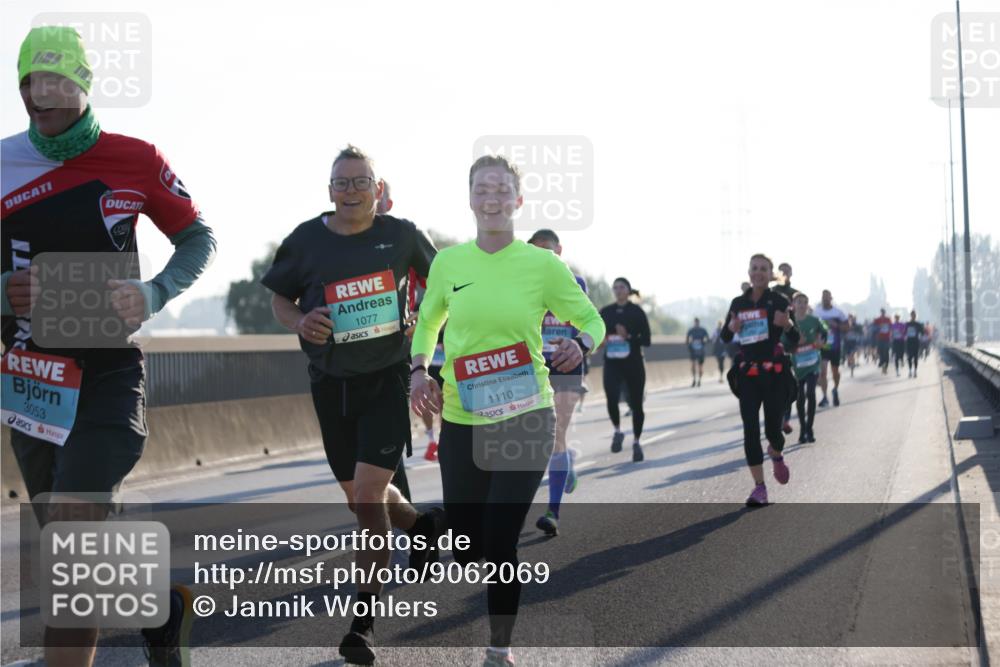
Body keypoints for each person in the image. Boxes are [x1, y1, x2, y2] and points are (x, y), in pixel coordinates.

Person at [0, 27, 216, 667]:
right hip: (32, 381)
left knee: (69, 541)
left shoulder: (136, 158)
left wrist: (154, 292)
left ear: (84, 86)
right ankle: (161, 607)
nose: (46, 98)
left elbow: (198, 238)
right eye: (32, 86)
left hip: (108, 375)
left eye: (59, 83)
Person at [409, 155, 604, 667]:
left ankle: (499, 651)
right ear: (470, 198)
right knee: (469, 548)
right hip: (462, 417)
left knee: (500, 541)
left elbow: (591, 319)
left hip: (526, 416)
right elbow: (429, 324)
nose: (491, 197)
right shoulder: (449, 264)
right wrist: (418, 370)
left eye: (501, 189)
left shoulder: (542, 265)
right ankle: (437, 524)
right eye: (482, 188)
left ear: (517, 201)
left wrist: (581, 344)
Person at [261, 145, 444, 665]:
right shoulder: (305, 239)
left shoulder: (403, 235)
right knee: (361, 498)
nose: (350, 191)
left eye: (360, 182)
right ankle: (421, 526)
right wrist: (299, 321)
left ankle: (361, 623)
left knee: (367, 499)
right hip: (329, 382)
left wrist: (421, 325)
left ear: (377, 188)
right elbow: (279, 297)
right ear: (329, 191)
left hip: (386, 379)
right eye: (341, 183)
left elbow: (444, 288)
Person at [720, 253, 798, 506]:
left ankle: (775, 452)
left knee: (773, 430)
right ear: (749, 272)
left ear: (771, 273)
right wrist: (731, 330)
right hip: (748, 374)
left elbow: (795, 340)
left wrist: (786, 325)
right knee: (750, 429)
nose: (758, 272)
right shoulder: (738, 303)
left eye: (764, 268)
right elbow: (724, 337)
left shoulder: (778, 300)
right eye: (754, 268)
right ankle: (759, 488)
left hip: (774, 374)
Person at [527, 229, 589, 537]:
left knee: (555, 433)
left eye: (549, 252)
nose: (544, 258)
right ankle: (567, 463)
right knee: (542, 438)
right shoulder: (519, 283)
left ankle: (553, 512)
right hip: (533, 368)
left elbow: (585, 322)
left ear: (559, 251)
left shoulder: (575, 283)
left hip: (566, 367)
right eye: (537, 253)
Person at [601, 277, 651, 462]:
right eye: (615, 287)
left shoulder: (637, 312)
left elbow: (647, 340)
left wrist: (628, 336)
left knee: (637, 404)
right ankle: (617, 431)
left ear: (628, 290)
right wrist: (601, 341)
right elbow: (597, 335)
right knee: (611, 397)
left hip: (634, 363)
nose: (618, 290)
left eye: (621, 287)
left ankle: (637, 442)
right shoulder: (606, 312)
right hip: (612, 363)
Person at [784, 293, 827, 444]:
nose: (801, 305)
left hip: (813, 362)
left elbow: (824, 331)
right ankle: (802, 429)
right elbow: (785, 345)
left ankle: (810, 428)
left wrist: (821, 341)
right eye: (798, 302)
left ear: (807, 305)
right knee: (800, 397)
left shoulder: (814, 320)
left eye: (804, 302)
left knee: (811, 392)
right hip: (798, 365)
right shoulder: (789, 323)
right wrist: (796, 342)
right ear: (793, 305)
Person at [814, 290, 847, 408]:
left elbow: (847, 327)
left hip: (835, 346)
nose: (825, 299)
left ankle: (835, 390)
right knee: (822, 372)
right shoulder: (816, 312)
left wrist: (837, 325)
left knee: (835, 372)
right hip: (822, 346)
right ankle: (824, 397)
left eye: (827, 297)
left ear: (831, 298)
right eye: (823, 297)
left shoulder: (838, 312)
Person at [686, 317, 710, 387]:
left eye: (697, 322)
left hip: (701, 350)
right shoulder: (691, 330)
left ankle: (699, 380)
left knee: (700, 366)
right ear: (694, 322)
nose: (696, 323)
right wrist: (690, 344)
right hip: (693, 350)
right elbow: (687, 340)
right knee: (693, 365)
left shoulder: (703, 330)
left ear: (698, 322)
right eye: (695, 322)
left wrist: (702, 342)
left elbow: (708, 339)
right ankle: (694, 379)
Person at [905, 311, 925, 378]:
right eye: (912, 315)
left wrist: (921, 333)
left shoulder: (917, 324)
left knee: (915, 357)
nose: (913, 316)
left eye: (914, 315)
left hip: (916, 342)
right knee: (909, 358)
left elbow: (922, 332)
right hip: (909, 342)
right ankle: (910, 371)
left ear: (915, 316)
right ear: (910, 316)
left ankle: (915, 371)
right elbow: (904, 332)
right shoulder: (907, 324)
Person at [873, 309, 892, 374]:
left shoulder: (888, 319)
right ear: (880, 313)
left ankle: (886, 366)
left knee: (886, 351)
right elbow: (873, 327)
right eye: (882, 312)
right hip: (879, 338)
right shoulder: (877, 320)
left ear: (885, 312)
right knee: (880, 351)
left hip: (887, 338)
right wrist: (878, 327)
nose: (883, 313)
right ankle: (881, 361)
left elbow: (891, 327)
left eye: (883, 312)